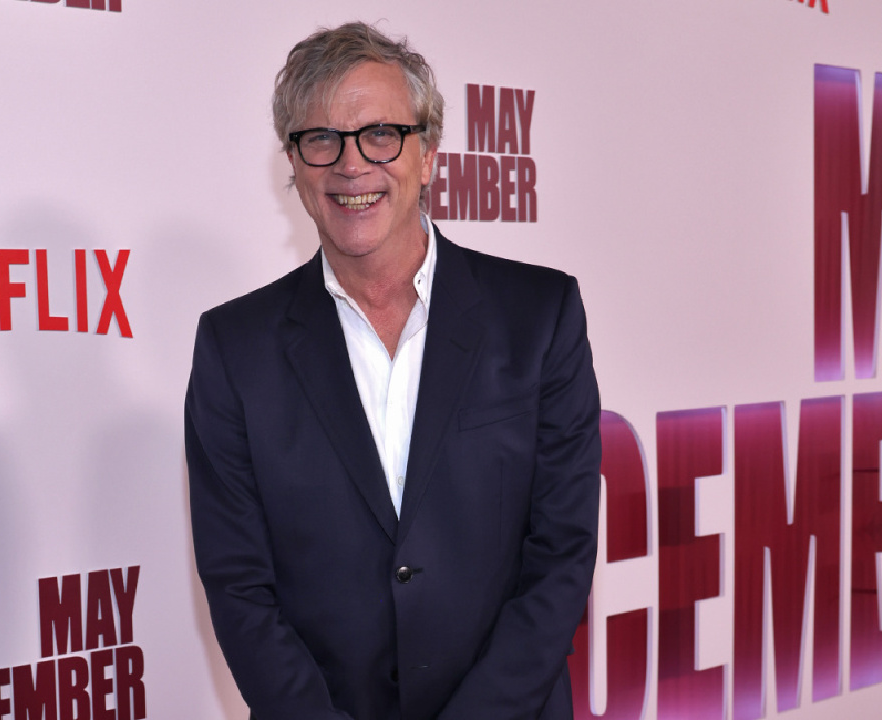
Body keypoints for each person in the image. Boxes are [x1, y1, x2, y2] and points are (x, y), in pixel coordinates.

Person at [185, 21, 600, 720]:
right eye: (321, 139)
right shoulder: (235, 347)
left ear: (429, 154)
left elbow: (561, 558)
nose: (351, 165)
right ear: (294, 164)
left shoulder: (540, 315)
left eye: (381, 133)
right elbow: (239, 587)